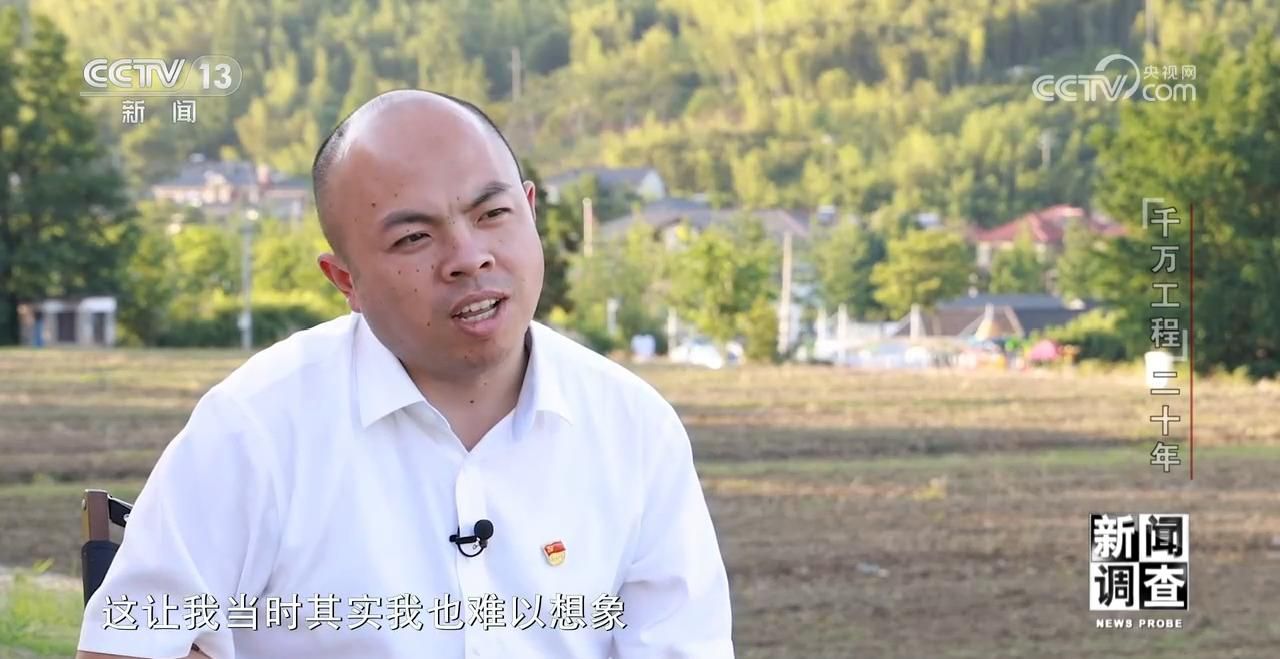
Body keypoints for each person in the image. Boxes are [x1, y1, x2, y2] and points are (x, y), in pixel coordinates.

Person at [76, 89, 734, 659]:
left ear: (530, 211)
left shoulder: (634, 428)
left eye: (492, 214)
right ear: (345, 280)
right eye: (414, 238)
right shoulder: (254, 428)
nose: (468, 257)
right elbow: (126, 642)